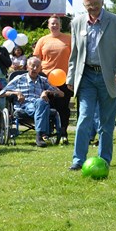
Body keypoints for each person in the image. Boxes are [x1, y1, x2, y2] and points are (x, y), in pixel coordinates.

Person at [67, 0, 116, 170]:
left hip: (110, 77)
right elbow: (74, 54)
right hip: (86, 76)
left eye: (96, 5)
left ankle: (104, 160)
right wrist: (70, 77)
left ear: (102, 2)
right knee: (84, 118)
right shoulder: (77, 23)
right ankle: (78, 160)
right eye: (89, 6)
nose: (93, 9)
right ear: (84, 5)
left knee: (106, 123)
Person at [0, 55, 63, 148]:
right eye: (32, 66)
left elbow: (61, 94)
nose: (34, 68)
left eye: (37, 67)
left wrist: (46, 91)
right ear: (27, 67)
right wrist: (17, 93)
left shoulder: (43, 80)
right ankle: (42, 134)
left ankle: (39, 135)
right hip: (24, 106)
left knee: (41, 103)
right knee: (43, 104)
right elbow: (1, 93)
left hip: (39, 105)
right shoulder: (19, 79)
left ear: (40, 69)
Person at [33, 15, 72, 144]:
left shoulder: (69, 39)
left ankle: (64, 132)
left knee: (63, 107)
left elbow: (75, 58)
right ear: (48, 26)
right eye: (52, 23)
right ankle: (46, 133)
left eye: (56, 23)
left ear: (60, 25)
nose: (54, 25)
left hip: (64, 79)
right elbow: (36, 59)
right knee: (47, 105)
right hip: (45, 79)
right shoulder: (43, 40)